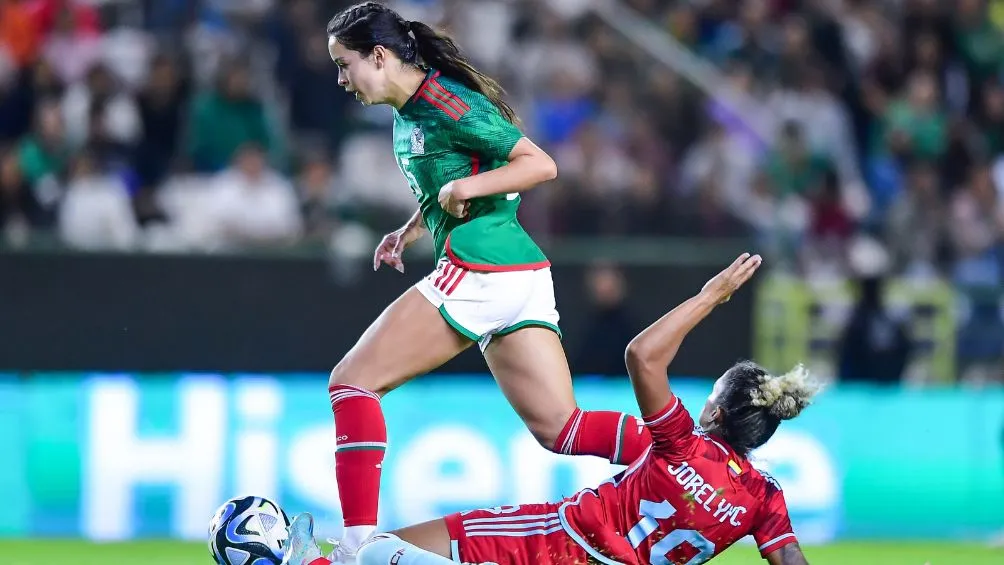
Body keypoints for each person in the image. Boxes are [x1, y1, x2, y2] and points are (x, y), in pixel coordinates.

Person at [321, 2, 653, 560]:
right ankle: (688, 461)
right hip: (520, 275)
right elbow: (457, 178)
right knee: (562, 427)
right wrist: (411, 229)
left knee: (352, 383)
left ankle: (357, 547)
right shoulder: (408, 115)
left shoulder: (446, 102)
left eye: (343, 64)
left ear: (378, 56)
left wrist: (466, 192)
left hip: (483, 268)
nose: (341, 80)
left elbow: (539, 164)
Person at [284, 253, 817, 565]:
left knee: (377, 553)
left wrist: (710, 296)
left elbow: (642, 357)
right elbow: (789, 558)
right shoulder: (763, 497)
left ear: (717, 415)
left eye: (710, 398)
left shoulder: (676, 441)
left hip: (553, 543)